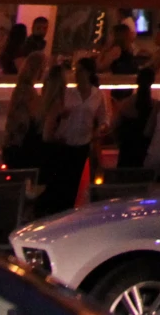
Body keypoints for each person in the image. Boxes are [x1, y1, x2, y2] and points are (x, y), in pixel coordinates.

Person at [42, 59, 112, 214]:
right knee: (59, 182)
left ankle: (66, 212)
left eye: (80, 71)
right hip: (64, 142)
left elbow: (104, 118)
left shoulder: (97, 95)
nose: (76, 74)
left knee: (73, 182)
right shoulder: (68, 93)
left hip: (82, 143)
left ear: (88, 73)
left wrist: (101, 128)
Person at [3, 53, 49, 171]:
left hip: (13, 144)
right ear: (39, 70)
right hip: (25, 146)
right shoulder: (28, 93)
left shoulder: (20, 89)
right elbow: (37, 117)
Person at [114, 68, 154, 170]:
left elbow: (114, 126)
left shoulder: (126, 104)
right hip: (146, 154)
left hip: (127, 154)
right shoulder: (155, 106)